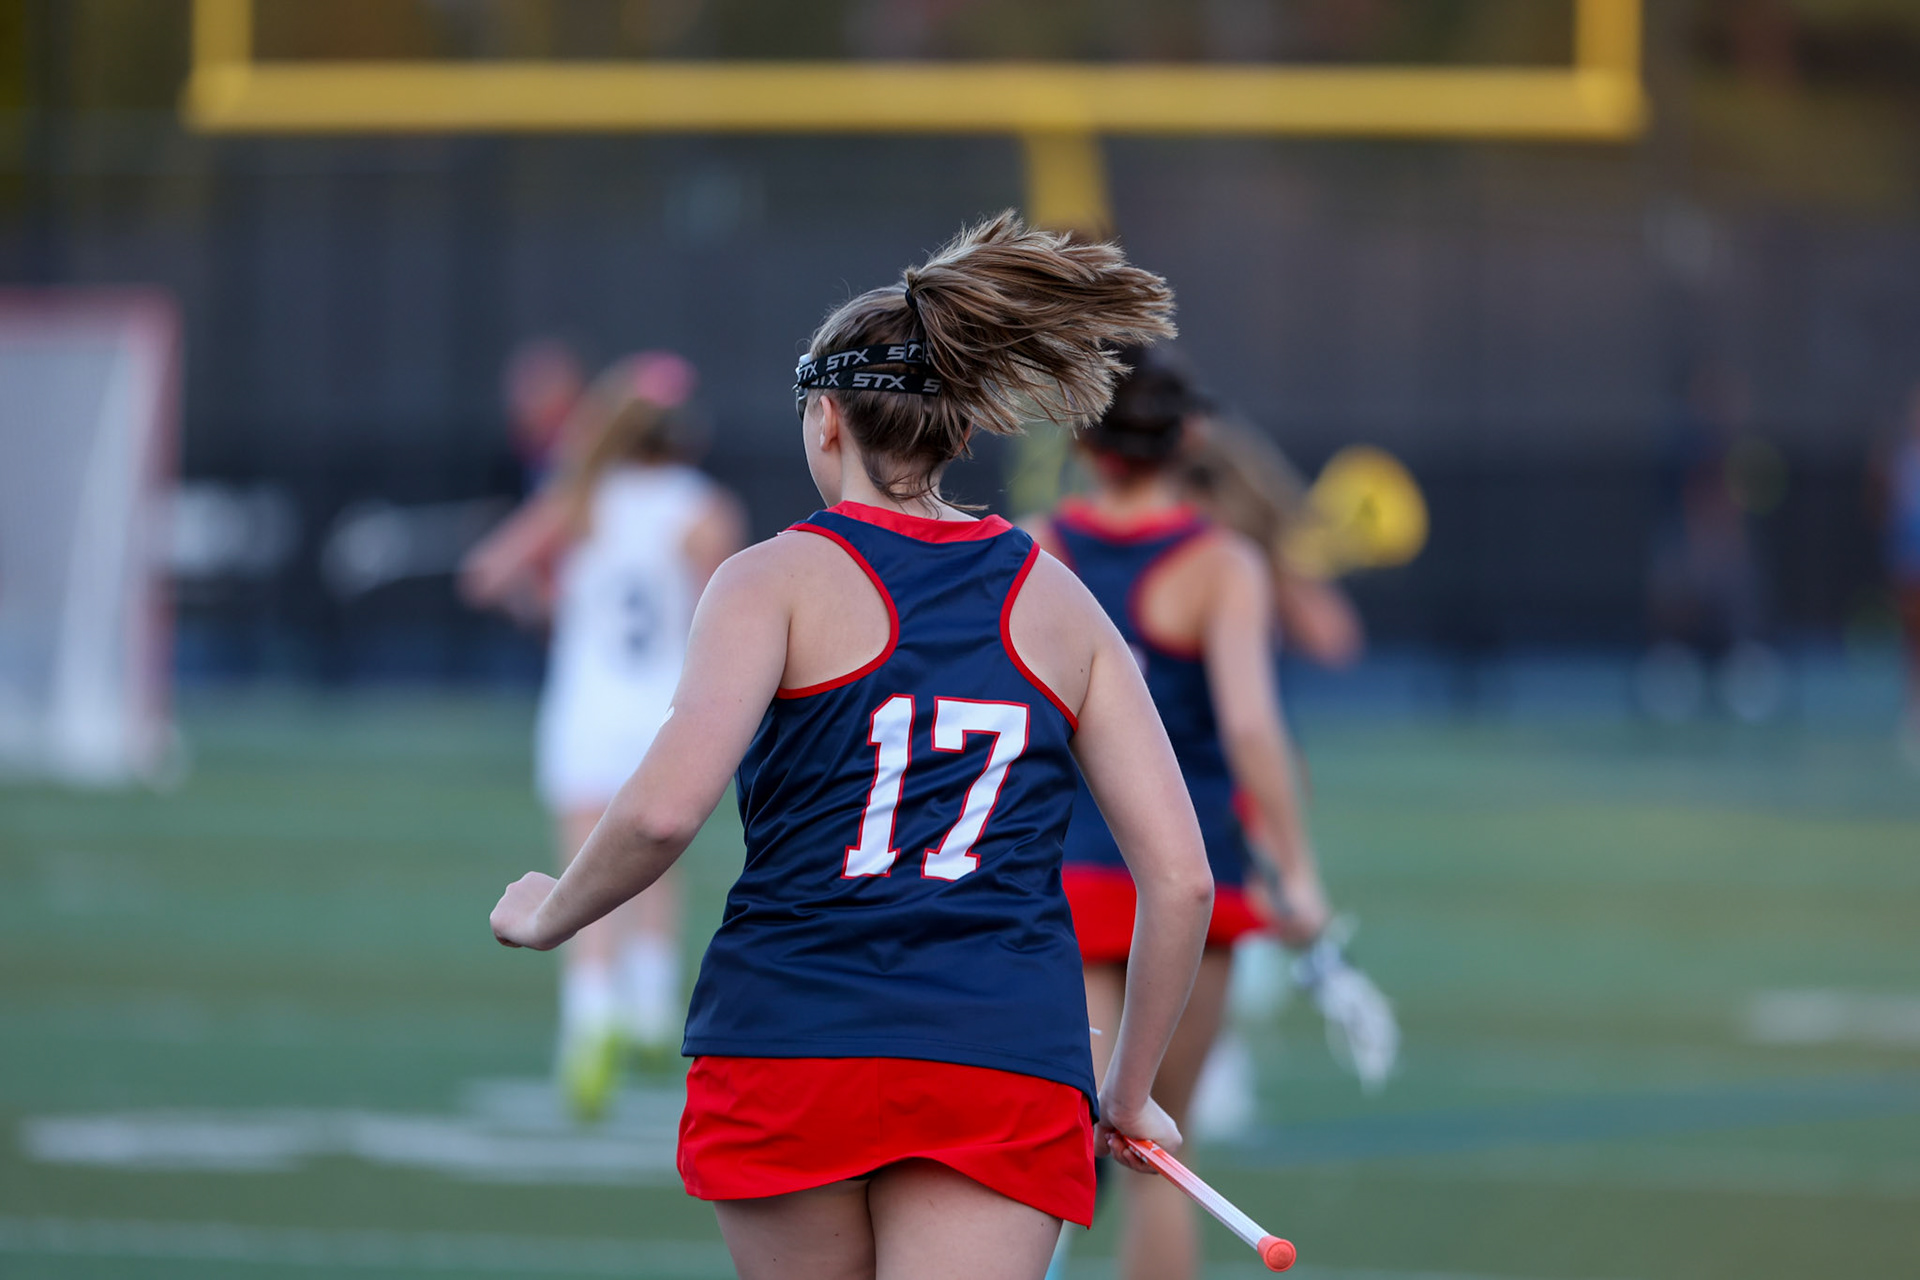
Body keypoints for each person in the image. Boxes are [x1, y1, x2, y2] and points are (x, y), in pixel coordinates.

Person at [488, 212, 1216, 1280]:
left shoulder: (770, 577)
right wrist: (1133, 1082)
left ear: (826, 419)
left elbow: (656, 810)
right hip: (999, 1053)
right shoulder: (1059, 600)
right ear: (959, 429)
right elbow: (1182, 877)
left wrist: (552, 911)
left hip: (790, 1038)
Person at [1026, 344, 1333, 1280]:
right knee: (1162, 1151)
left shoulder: (1036, 546)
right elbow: (1249, 727)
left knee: (1054, 1143)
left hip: (1064, 873)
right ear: (1189, 437)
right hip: (1189, 880)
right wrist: (1300, 870)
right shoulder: (1221, 564)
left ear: (1081, 438)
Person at [463, 351, 744, 1118]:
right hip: (667, 711)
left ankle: (590, 1023)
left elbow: (486, 573)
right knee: (655, 855)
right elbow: (720, 611)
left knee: (580, 866)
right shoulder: (704, 508)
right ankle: (651, 1006)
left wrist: (547, 602)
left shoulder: (578, 499)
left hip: (586, 709)